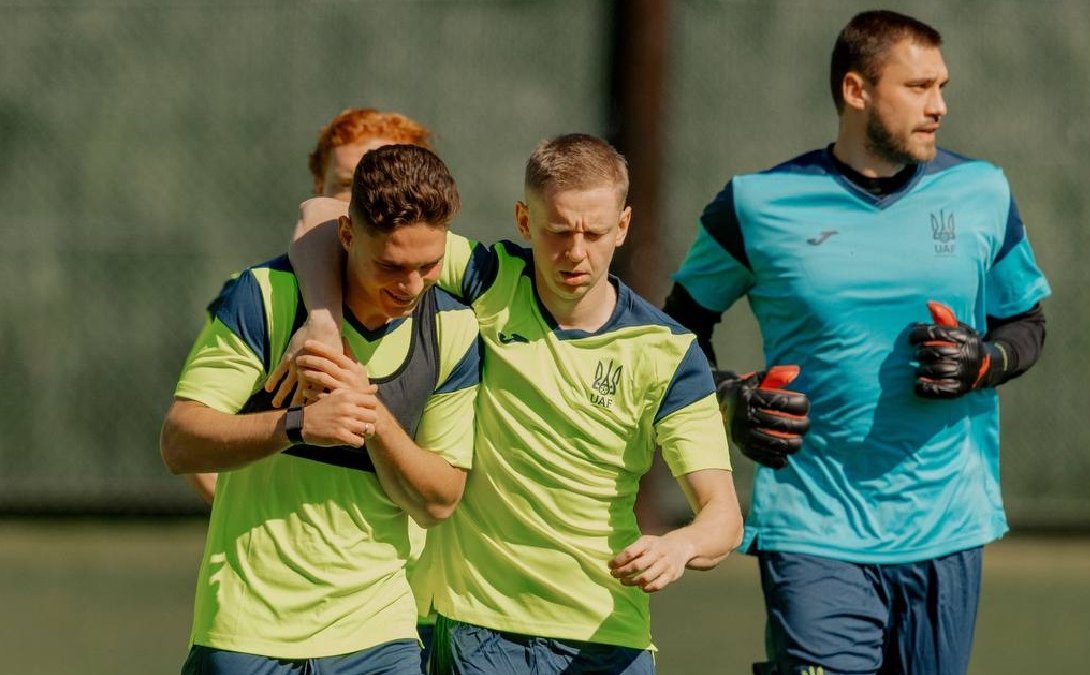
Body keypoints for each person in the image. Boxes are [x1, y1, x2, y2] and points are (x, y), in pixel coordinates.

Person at [663, 10, 1050, 675]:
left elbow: (1026, 325)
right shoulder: (757, 205)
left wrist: (984, 360)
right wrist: (727, 400)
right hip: (811, 528)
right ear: (856, 90)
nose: (939, 106)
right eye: (919, 87)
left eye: (942, 86)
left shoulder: (983, 192)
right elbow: (675, 333)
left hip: (946, 527)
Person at [288, 133, 744, 675]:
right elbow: (321, 214)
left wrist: (679, 547)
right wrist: (322, 321)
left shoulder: (668, 351)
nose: (575, 252)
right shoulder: (492, 279)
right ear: (524, 221)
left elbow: (723, 518)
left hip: (607, 636)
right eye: (558, 231)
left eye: (595, 233)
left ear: (623, 226)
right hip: (479, 629)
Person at [160, 144, 481, 675]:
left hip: (379, 636)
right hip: (246, 631)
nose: (410, 286)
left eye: (428, 266)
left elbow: (439, 501)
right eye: (391, 266)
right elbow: (179, 442)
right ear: (348, 235)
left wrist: (372, 417)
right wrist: (298, 426)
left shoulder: (452, 328)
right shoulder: (265, 298)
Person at [185, 107, 437, 504]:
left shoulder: (446, 288)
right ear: (319, 184)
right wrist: (251, 515)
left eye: (393, 180)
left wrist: (322, 320)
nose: (373, 198)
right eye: (348, 184)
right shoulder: (261, 294)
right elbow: (190, 442)